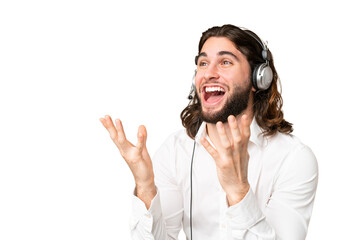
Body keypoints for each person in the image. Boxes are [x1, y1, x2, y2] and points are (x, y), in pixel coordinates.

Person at [100, 24, 318, 240]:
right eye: (203, 63)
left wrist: (238, 191)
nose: (209, 74)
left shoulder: (294, 158)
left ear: (258, 79)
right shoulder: (176, 151)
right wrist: (145, 187)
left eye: (225, 62)